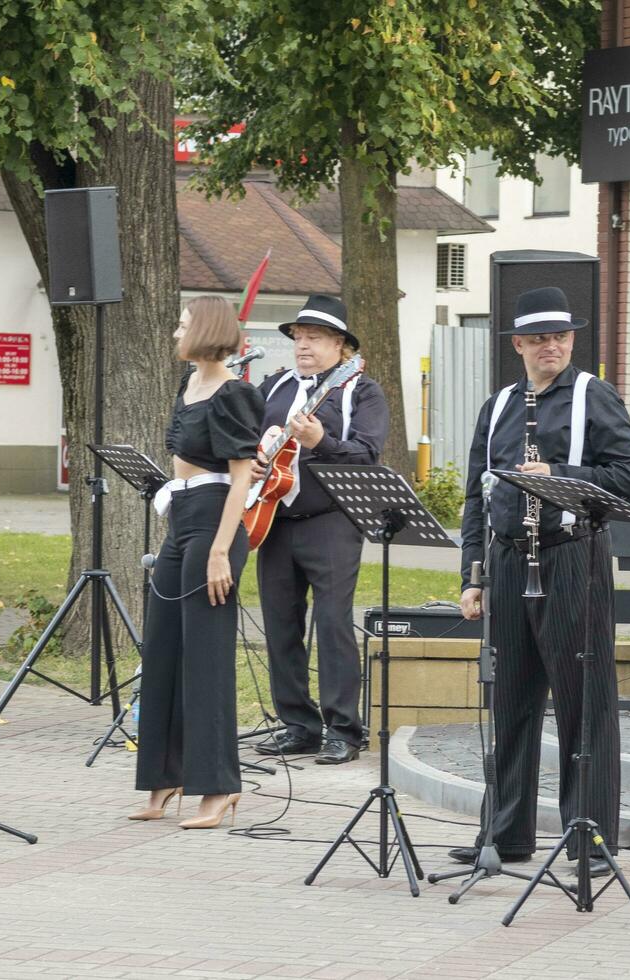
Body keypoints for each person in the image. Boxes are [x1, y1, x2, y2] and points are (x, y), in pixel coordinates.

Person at [449, 286, 630, 876]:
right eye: (538, 339)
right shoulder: (500, 405)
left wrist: (558, 475)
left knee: (585, 705)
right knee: (509, 700)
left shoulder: (594, 396)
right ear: (518, 346)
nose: (551, 347)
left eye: (560, 337)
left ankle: (591, 839)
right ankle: (505, 832)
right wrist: (473, 576)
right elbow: (475, 496)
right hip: (509, 563)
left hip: (571, 558)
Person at [130, 296, 264, 829]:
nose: (175, 332)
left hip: (215, 522)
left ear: (204, 330)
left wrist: (218, 551)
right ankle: (166, 776)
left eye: (182, 324)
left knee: (206, 660)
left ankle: (219, 786)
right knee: (162, 648)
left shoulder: (235, 393)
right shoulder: (187, 387)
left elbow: (241, 478)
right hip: (181, 514)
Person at [251, 294, 390, 765]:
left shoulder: (359, 390)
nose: (302, 345)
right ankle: (298, 724)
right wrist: (250, 465)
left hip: (331, 521)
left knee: (332, 624)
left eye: (314, 338)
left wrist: (322, 441)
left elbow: (368, 453)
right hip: (271, 518)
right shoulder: (274, 386)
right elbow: (249, 441)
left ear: (340, 345)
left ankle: (343, 729)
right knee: (279, 624)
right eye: (298, 337)